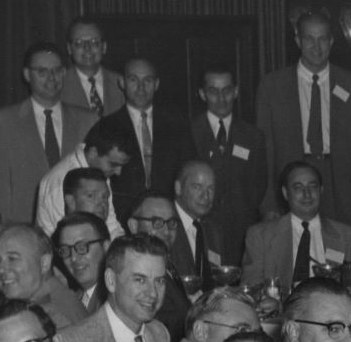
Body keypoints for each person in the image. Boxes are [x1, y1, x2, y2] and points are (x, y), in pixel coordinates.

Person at [255, 7, 351, 228]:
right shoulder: (272, 85)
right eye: (309, 39)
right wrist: (268, 204)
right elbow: (266, 150)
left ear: (331, 41)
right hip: (292, 184)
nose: (316, 46)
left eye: (322, 39)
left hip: (341, 187)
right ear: (297, 41)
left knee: (343, 255)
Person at [0, 42, 89, 232]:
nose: (51, 78)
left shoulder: (87, 119)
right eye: (42, 71)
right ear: (27, 75)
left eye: (57, 70)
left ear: (64, 73)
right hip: (25, 229)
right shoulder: (3, 120)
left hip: (77, 227)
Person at [53, 232, 173, 342]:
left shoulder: (160, 334)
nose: (152, 293)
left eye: (159, 281)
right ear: (111, 281)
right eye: (140, 280)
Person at [185, 64, 269, 257]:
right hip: (201, 229)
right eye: (213, 91)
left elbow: (259, 185)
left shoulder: (253, 136)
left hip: (242, 232)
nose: (221, 99)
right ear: (202, 93)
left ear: (236, 91)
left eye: (227, 91)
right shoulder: (189, 132)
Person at [245, 160, 351, 289]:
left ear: (321, 190)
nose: (307, 194)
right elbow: (251, 285)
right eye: (298, 187)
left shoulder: (349, 237)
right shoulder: (260, 236)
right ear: (285, 193)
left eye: (312, 187)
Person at [34, 112, 134, 235]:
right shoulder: (59, 182)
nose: (118, 172)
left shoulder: (98, 169)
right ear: (93, 153)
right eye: (114, 164)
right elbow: (70, 238)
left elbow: (111, 225)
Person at [113, 56, 182, 210]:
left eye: (147, 80)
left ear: (156, 84)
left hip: (169, 215)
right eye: (133, 80)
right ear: (122, 82)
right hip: (124, 216)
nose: (141, 88)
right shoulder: (108, 127)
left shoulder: (177, 126)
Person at [123, 193, 195, 341]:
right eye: (157, 222)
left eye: (171, 223)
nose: (166, 231)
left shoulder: (166, 262)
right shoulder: (129, 271)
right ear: (133, 225)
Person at [0, 221, 86, 330]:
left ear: (44, 263)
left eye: (12, 258)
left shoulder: (52, 317)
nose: (0, 269)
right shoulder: (45, 304)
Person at [168, 161, 228, 296]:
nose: (205, 196)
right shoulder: (165, 225)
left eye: (210, 189)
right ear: (178, 188)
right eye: (197, 187)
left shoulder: (213, 231)